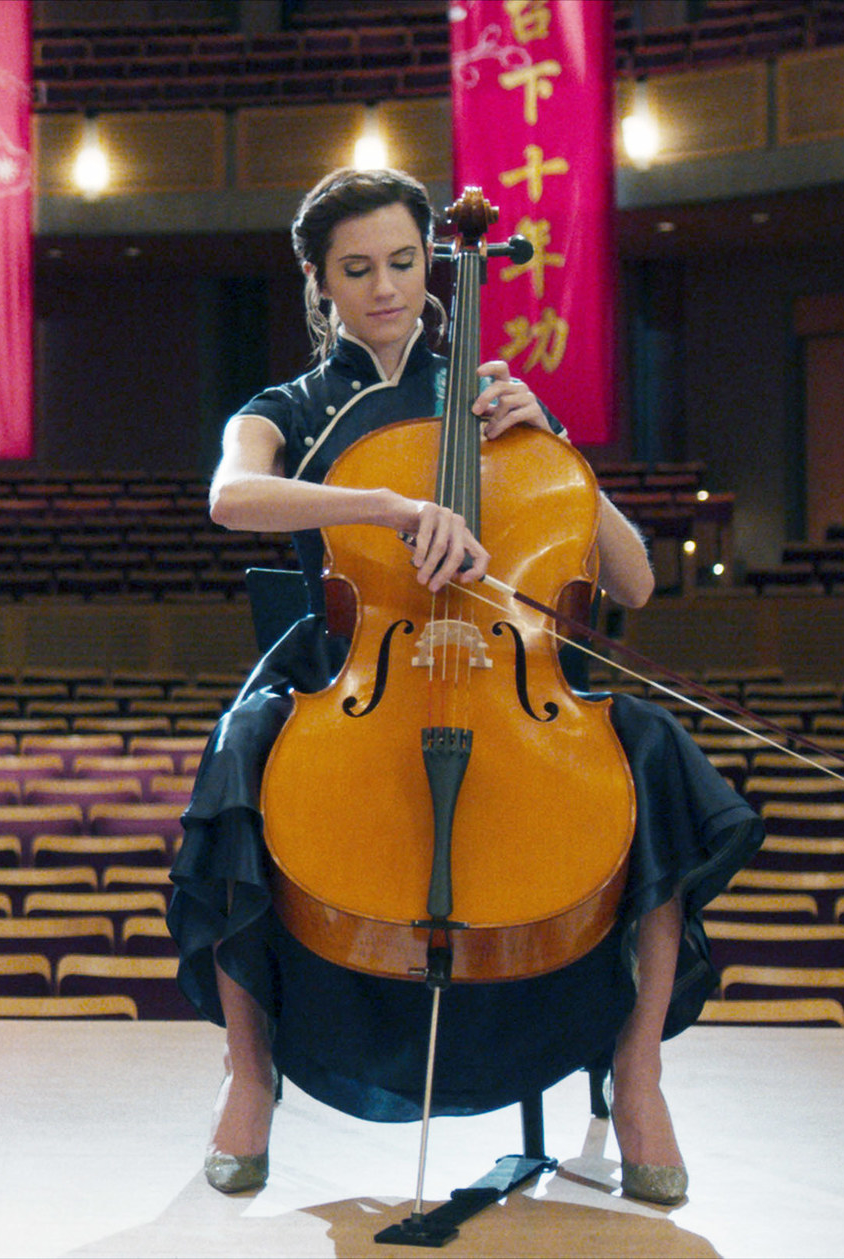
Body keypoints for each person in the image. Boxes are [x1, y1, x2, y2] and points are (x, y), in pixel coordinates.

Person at [167, 167, 762, 1208]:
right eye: (357, 269)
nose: (386, 286)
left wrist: (556, 442)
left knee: (657, 756)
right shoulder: (290, 406)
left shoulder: (486, 401)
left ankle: (639, 1074)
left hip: (504, 675)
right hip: (351, 668)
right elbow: (230, 495)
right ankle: (249, 1076)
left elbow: (633, 581)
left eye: (403, 262)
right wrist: (390, 504)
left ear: (433, 267)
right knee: (240, 748)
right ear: (319, 282)